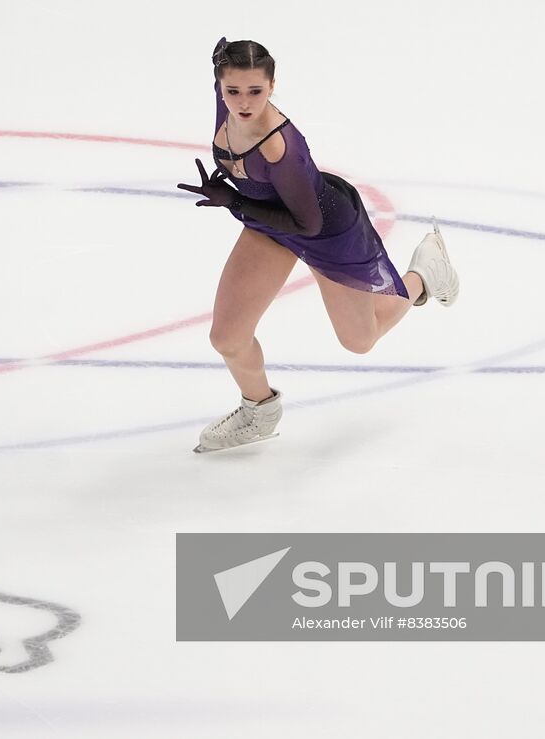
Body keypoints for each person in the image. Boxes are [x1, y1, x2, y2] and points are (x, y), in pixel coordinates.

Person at [178, 37, 459, 454]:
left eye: (255, 91)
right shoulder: (228, 105)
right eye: (232, 90)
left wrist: (235, 200)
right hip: (269, 220)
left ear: (272, 86)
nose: (243, 101)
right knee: (227, 337)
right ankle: (259, 410)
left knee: (359, 341)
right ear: (219, 85)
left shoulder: (278, 145)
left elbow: (307, 224)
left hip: (327, 229)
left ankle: (423, 275)